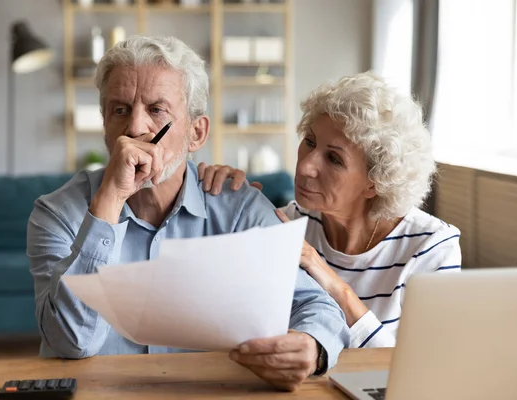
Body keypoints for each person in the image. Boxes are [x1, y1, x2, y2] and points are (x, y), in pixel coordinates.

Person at [26, 35, 350, 392]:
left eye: (156, 110)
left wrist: (311, 347)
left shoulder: (240, 210)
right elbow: (72, 342)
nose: (135, 128)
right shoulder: (56, 214)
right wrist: (111, 199)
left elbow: (317, 306)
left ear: (196, 134)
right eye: (119, 110)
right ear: (105, 125)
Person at [198, 71, 462, 348]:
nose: (305, 166)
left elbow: (422, 366)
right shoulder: (289, 222)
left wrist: (332, 282)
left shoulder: (431, 246)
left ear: (375, 182)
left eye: (334, 159)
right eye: (310, 142)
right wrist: (223, 205)